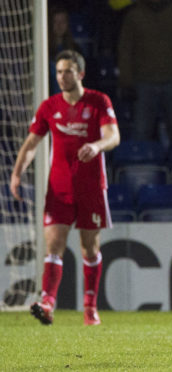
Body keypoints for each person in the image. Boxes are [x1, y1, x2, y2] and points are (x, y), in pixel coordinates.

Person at [11, 50, 121, 326]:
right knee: (54, 244)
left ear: (80, 74)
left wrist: (96, 146)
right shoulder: (49, 106)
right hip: (59, 188)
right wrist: (16, 174)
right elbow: (32, 144)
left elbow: (113, 136)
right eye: (59, 71)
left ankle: (90, 308)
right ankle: (47, 302)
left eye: (68, 71)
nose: (62, 76)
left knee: (90, 249)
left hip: (91, 186)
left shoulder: (98, 101)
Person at [117, 0, 172, 143]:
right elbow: (125, 51)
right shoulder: (134, 16)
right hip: (143, 83)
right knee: (141, 133)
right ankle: (141, 164)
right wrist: (127, 82)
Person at [48, 7, 82, 95]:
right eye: (56, 22)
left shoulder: (75, 50)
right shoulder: (44, 50)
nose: (59, 25)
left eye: (62, 21)